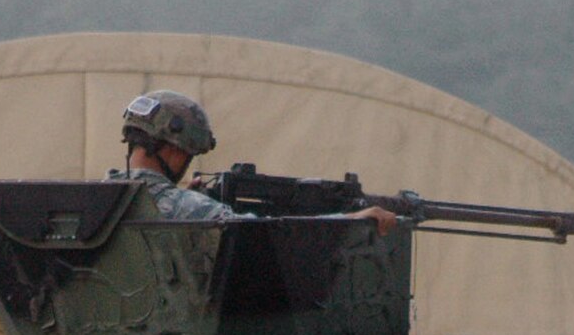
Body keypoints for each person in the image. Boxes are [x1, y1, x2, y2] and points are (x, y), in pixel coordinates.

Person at [110, 91, 399, 235]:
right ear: (175, 151)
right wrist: (349, 221)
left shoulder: (99, 198)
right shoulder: (186, 208)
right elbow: (271, 236)